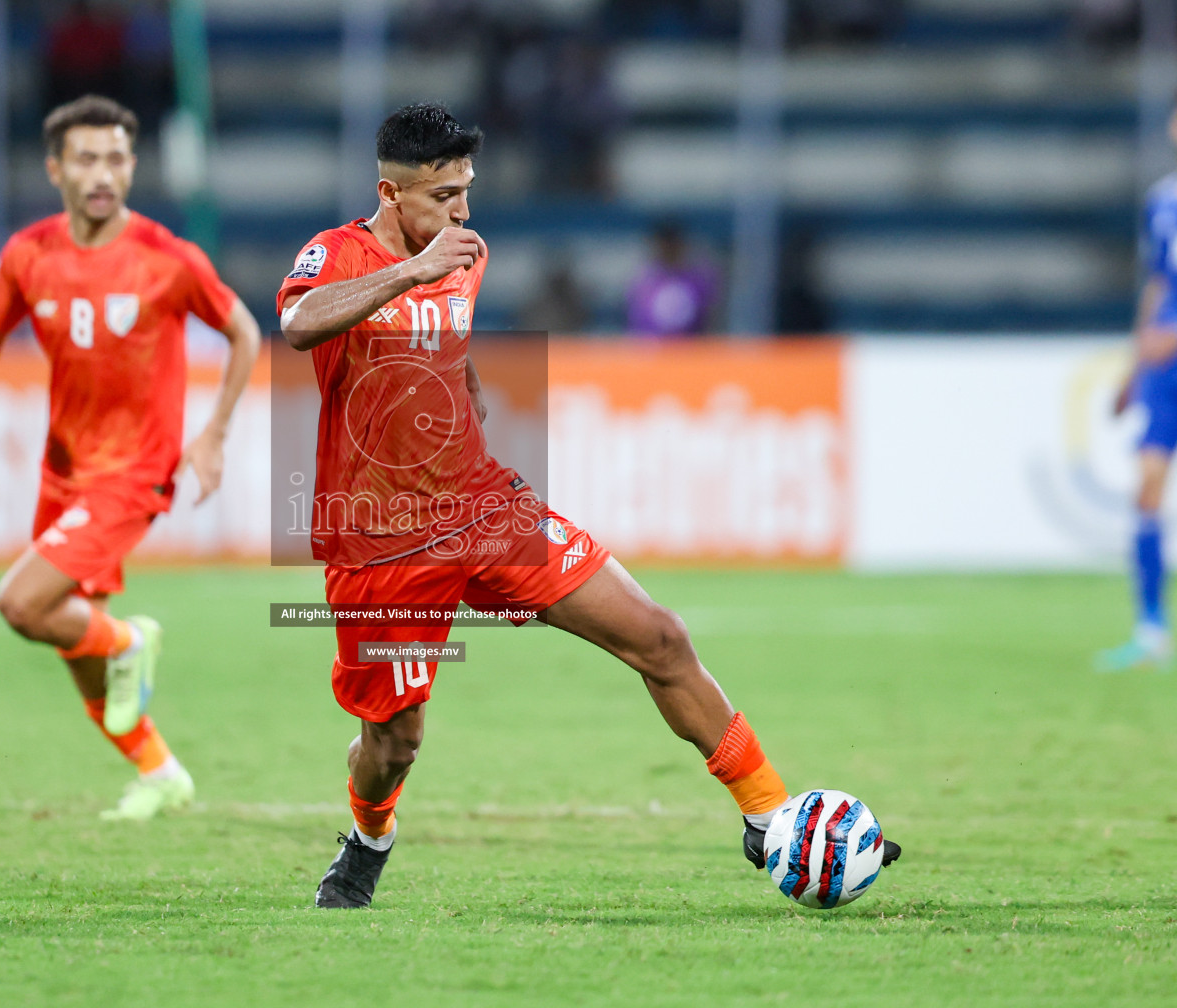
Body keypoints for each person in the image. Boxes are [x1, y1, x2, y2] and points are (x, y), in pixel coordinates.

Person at [276, 103, 899, 908]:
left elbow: (439, 338)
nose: (462, 211)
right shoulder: (338, 253)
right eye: (442, 196)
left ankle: (768, 815)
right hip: (382, 546)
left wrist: (457, 381)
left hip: (484, 511)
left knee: (660, 637)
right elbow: (296, 325)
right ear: (391, 195)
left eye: (467, 191)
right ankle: (368, 840)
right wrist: (408, 272)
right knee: (393, 743)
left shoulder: (467, 253)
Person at [0, 95, 261, 819]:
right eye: (86, 158)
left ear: (133, 166)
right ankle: (162, 772)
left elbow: (244, 331)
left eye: (115, 158)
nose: (102, 172)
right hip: (65, 469)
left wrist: (214, 432)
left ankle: (133, 639)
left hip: (135, 471)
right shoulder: (28, 254)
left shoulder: (169, 260)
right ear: (56, 168)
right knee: (77, 653)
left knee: (21, 603)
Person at [1101, 105, 1177, 671]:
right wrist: (1134, 364)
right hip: (1163, 371)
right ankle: (1151, 629)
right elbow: (1157, 284)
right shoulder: (1164, 200)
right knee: (1147, 485)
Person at [626, 222, 719, 339]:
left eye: (672, 245)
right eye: (664, 245)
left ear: (680, 246)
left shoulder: (697, 281)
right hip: (651, 350)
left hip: (690, 351)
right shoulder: (643, 282)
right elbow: (636, 325)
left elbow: (708, 322)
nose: (668, 250)